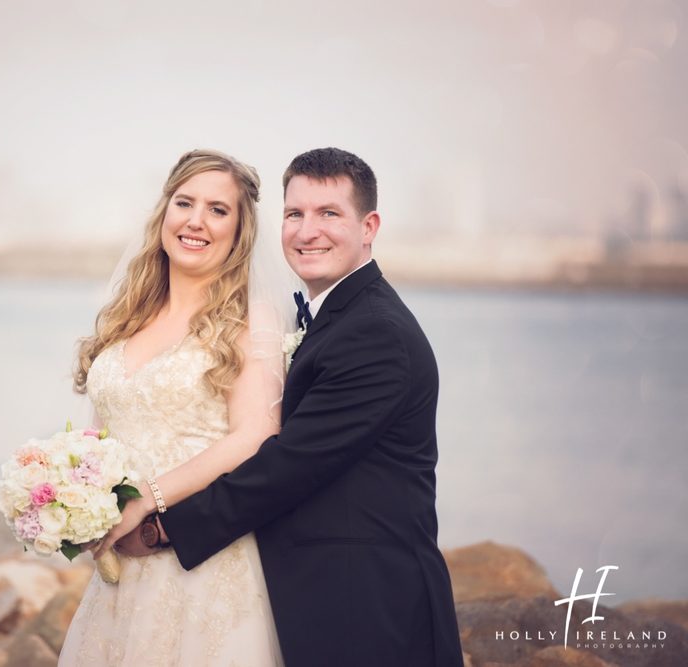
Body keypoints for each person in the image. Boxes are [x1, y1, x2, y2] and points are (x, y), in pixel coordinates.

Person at [104, 147, 465, 666]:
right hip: (328, 603)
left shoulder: (377, 335)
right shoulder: (333, 318)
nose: (307, 231)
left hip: (372, 613)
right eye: (295, 214)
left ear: (369, 226)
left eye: (329, 214)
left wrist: (162, 525)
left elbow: (287, 466)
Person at [57, 149, 287, 666]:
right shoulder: (129, 315)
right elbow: (102, 434)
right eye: (185, 202)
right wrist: (68, 500)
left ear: (240, 229)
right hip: (120, 568)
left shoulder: (253, 318)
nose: (196, 221)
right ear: (165, 212)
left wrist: (147, 500)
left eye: (217, 209)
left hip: (202, 562)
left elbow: (254, 436)